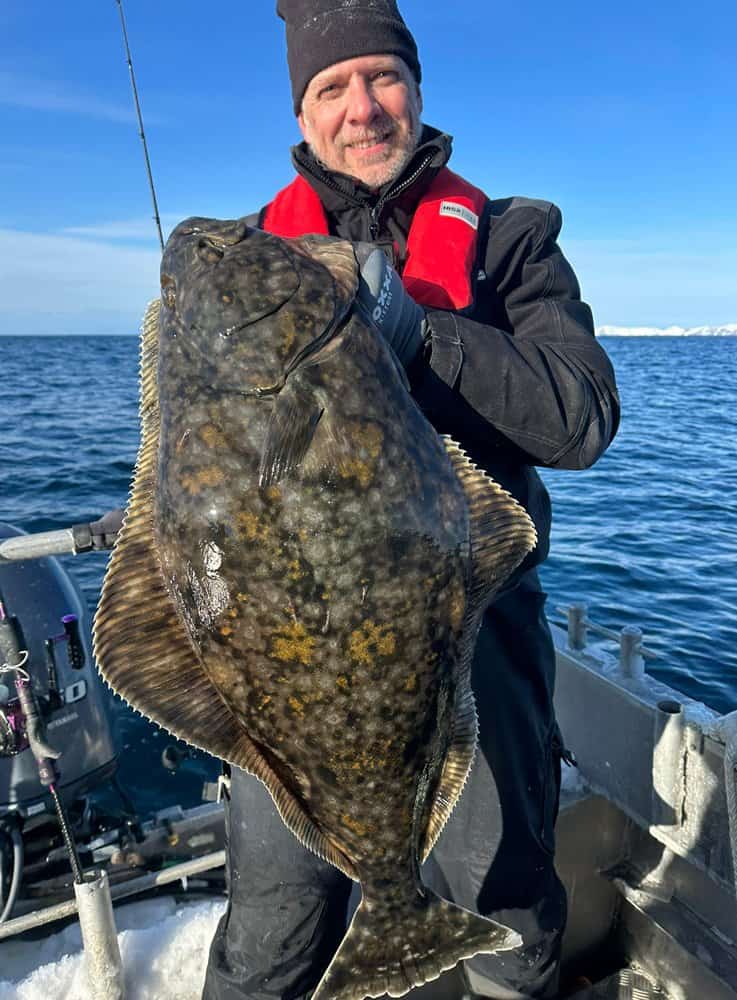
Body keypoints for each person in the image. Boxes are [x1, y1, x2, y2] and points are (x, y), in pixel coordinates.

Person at [202, 2, 620, 998]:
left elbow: (580, 419)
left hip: (469, 633)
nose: (362, 108)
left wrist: (422, 335)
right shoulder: (246, 258)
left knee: (502, 917)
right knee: (270, 930)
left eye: (381, 77)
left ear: (417, 89)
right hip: (287, 646)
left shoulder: (510, 241)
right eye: (330, 88)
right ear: (301, 116)